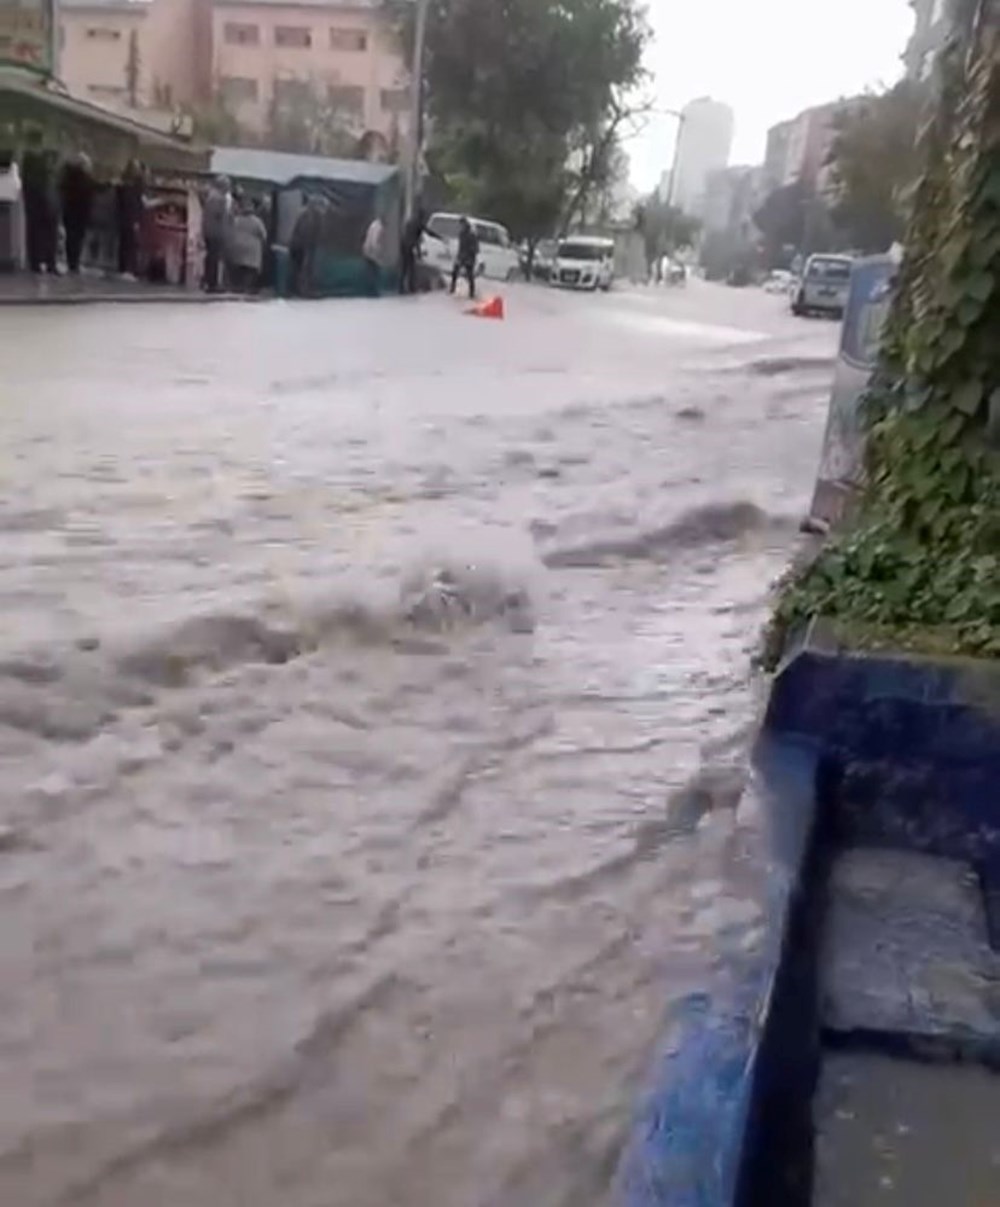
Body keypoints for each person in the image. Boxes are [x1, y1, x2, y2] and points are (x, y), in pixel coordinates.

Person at [20, 130, 58, 274]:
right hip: (40, 201)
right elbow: (34, 182)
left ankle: (43, 262)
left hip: (41, 201)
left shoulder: (37, 159)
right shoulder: (33, 159)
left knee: (41, 232)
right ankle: (42, 263)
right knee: (40, 232)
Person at [59, 151, 95, 274]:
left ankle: (72, 263)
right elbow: (91, 189)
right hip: (81, 211)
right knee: (77, 238)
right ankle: (74, 263)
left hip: (69, 211)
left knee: (71, 238)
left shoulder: (67, 177)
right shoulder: (84, 178)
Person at [227, 196, 267, 294]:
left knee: (239, 270)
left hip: (237, 248)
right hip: (252, 250)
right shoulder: (257, 221)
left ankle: (238, 288)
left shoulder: (236, 220)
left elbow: (230, 232)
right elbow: (263, 235)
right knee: (250, 271)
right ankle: (247, 289)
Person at [289, 195, 325, 297]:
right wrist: (309, 245)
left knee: (299, 268)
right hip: (302, 246)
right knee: (303, 268)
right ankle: (303, 290)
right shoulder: (308, 215)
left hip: (298, 244)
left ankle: (299, 290)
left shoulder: (305, 213)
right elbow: (305, 231)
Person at [201, 174, 232, 292]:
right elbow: (221, 216)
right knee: (214, 259)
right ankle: (212, 284)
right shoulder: (220, 199)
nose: (228, 188)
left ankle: (209, 282)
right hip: (216, 233)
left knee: (210, 258)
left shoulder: (210, 197)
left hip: (209, 232)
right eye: (227, 186)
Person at [115, 159, 145, 279]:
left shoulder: (123, 185)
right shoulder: (134, 186)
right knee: (130, 244)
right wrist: (135, 219)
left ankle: (123, 268)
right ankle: (128, 269)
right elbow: (134, 203)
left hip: (122, 217)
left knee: (124, 243)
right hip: (130, 218)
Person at [399, 207, 425, 295]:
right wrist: (419, 253)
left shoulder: (410, 222)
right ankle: (411, 288)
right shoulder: (419, 224)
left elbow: (408, 235)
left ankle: (401, 288)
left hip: (403, 245)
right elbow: (416, 240)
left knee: (404, 268)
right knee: (411, 268)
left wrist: (418, 252)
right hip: (409, 246)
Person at [450, 216, 479, 299]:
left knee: (470, 276)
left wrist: (469, 255)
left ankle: (471, 293)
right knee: (455, 272)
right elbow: (460, 247)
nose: (460, 226)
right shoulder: (461, 234)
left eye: (461, 224)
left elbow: (475, 248)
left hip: (469, 258)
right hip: (461, 256)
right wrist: (458, 256)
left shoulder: (472, 235)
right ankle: (452, 289)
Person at [362, 211, 384, 297]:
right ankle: (373, 290)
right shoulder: (378, 227)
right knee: (374, 271)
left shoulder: (374, 224)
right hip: (371, 252)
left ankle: (371, 290)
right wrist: (377, 253)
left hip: (368, 250)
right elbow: (375, 240)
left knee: (371, 271)